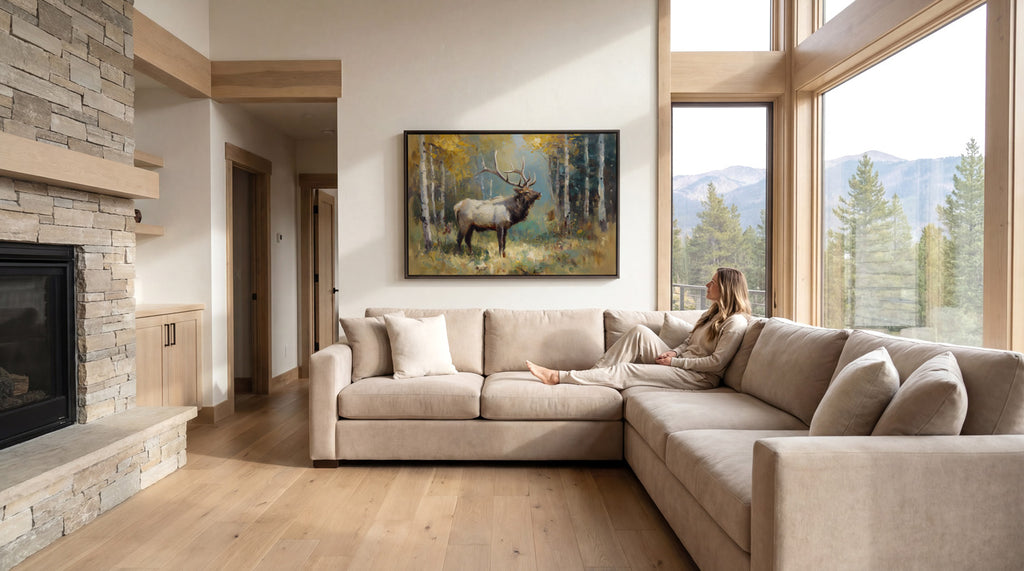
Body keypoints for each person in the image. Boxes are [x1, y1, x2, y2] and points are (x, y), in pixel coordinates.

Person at [526, 268, 752, 390]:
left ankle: (557, 377)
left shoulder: (735, 323)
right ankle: (593, 375)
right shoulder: (710, 314)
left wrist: (675, 363)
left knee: (626, 370)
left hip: (699, 377)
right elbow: (689, 342)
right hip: (682, 363)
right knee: (639, 332)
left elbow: (716, 363)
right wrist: (674, 352)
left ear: (726, 289)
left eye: (713, 282)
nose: (707, 285)